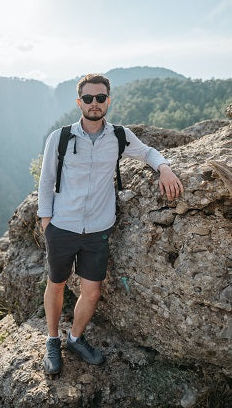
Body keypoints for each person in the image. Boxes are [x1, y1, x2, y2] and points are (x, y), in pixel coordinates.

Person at [37, 73, 184, 375]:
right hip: (62, 227)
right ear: (79, 102)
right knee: (57, 284)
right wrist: (46, 221)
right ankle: (52, 340)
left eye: (100, 98)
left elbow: (147, 152)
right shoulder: (61, 137)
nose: (94, 103)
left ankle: (75, 338)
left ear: (108, 101)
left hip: (98, 230)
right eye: (88, 98)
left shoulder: (119, 136)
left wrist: (165, 168)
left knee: (92, 292)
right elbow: (47, 180)